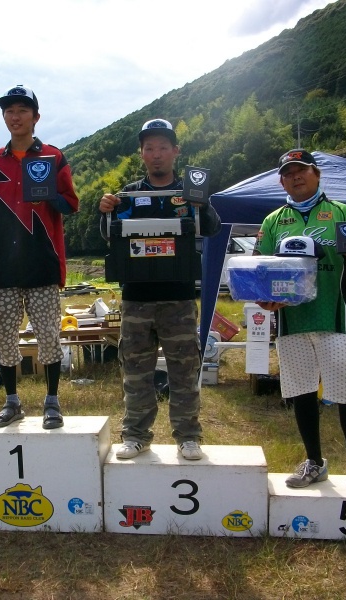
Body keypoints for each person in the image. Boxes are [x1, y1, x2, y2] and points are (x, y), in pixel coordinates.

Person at [255, 149, 346, 500]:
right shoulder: (272, 221)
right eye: (288, 173)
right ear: (281, 180)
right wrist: (263, 298)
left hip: (334, 319)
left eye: (302, 171)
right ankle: (314, 462)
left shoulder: (342, 212)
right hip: (292, 321)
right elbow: (260, 272)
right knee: (301, 392)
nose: (295, 177)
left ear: (316, 174)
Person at [99, 118, 222, 461]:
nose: (156, 155)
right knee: (136, 373)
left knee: (184, 372)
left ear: (175, 151)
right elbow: (109, 235)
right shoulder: (127, 194)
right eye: (149, 148)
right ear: (142, 153)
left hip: (179, 299)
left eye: (163, 147)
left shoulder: (190, 192)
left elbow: (212, 227)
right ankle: (136, 435)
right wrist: (105, 211)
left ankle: (188, 436)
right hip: (136, 300)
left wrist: (203, 204)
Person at [0, 84, 80, 429]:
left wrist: (45, 197)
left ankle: (52, 402)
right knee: (5, 337)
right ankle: (12, 402)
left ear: (36, 116)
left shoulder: (52, 156)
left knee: (48, 334)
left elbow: (70, 205)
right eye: (9, 111)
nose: (15, 117)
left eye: (22, 111)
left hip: (41, 261)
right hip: (1, 266)